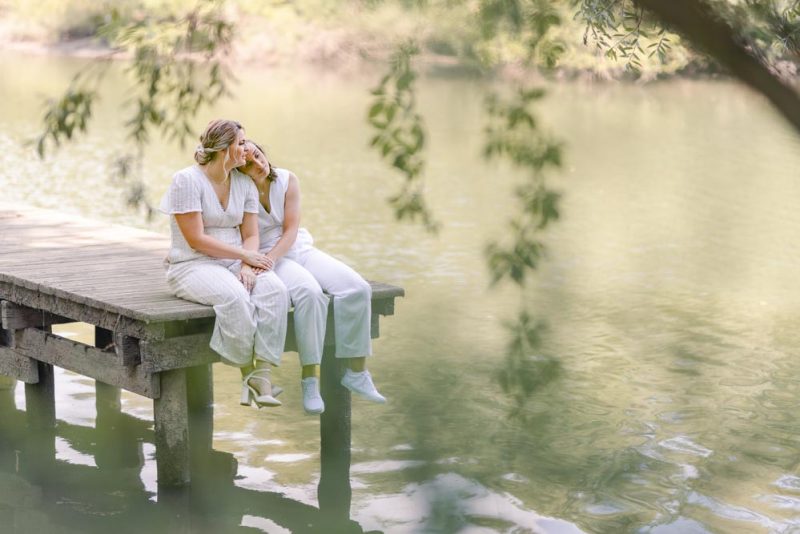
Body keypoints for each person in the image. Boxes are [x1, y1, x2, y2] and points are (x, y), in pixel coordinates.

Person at [238, 141, 386, 416]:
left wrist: (274, 258)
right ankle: (310, 380)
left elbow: (291, 229)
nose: (258, 165)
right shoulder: (238, 191)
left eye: (258, 156)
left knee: (357, 289)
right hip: (264, 257)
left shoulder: (287, 179)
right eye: (249, 164)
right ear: (239, 170)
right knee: (310, 294)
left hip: (296, 248)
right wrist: (262, 261)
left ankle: (357, 372)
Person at [160, 120, 289, 409]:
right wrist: (243, 256)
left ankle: (263, 375)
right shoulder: (186, 181)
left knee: (275, 290)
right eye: (241, 143)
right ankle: (246, 371)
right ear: (223, 148)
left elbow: (252, 234)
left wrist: (246, 265)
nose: (247, 148)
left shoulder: (244, 183)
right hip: (191, 265)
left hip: (236, 261)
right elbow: (195, 239)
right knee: (236, 297)